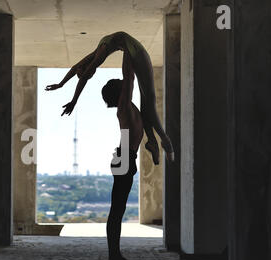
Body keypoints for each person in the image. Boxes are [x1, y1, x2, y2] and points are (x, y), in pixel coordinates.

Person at [45, 31, 174, 164]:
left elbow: (81, 75)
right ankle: (155, 140)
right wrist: (61, 84)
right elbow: (75, 69)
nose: (91, 73)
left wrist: (73, 100)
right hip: (135, 52)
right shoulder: (97, 52)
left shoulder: (99, 55)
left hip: (137, 52)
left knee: (149, 102)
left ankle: (162, 141)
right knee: (146, 102)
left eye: (89, 73)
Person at [103, 51, 143, 260]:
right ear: (120, 92)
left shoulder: (129, 108)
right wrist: (128, 50)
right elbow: (129, 76)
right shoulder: (124, 108)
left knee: (118, 209)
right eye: (120, 84)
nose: (123, 84)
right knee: (116, 210)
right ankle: (113, 259)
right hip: (124, 158)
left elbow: (128, 79)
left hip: (126, 157)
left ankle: (116, 256)